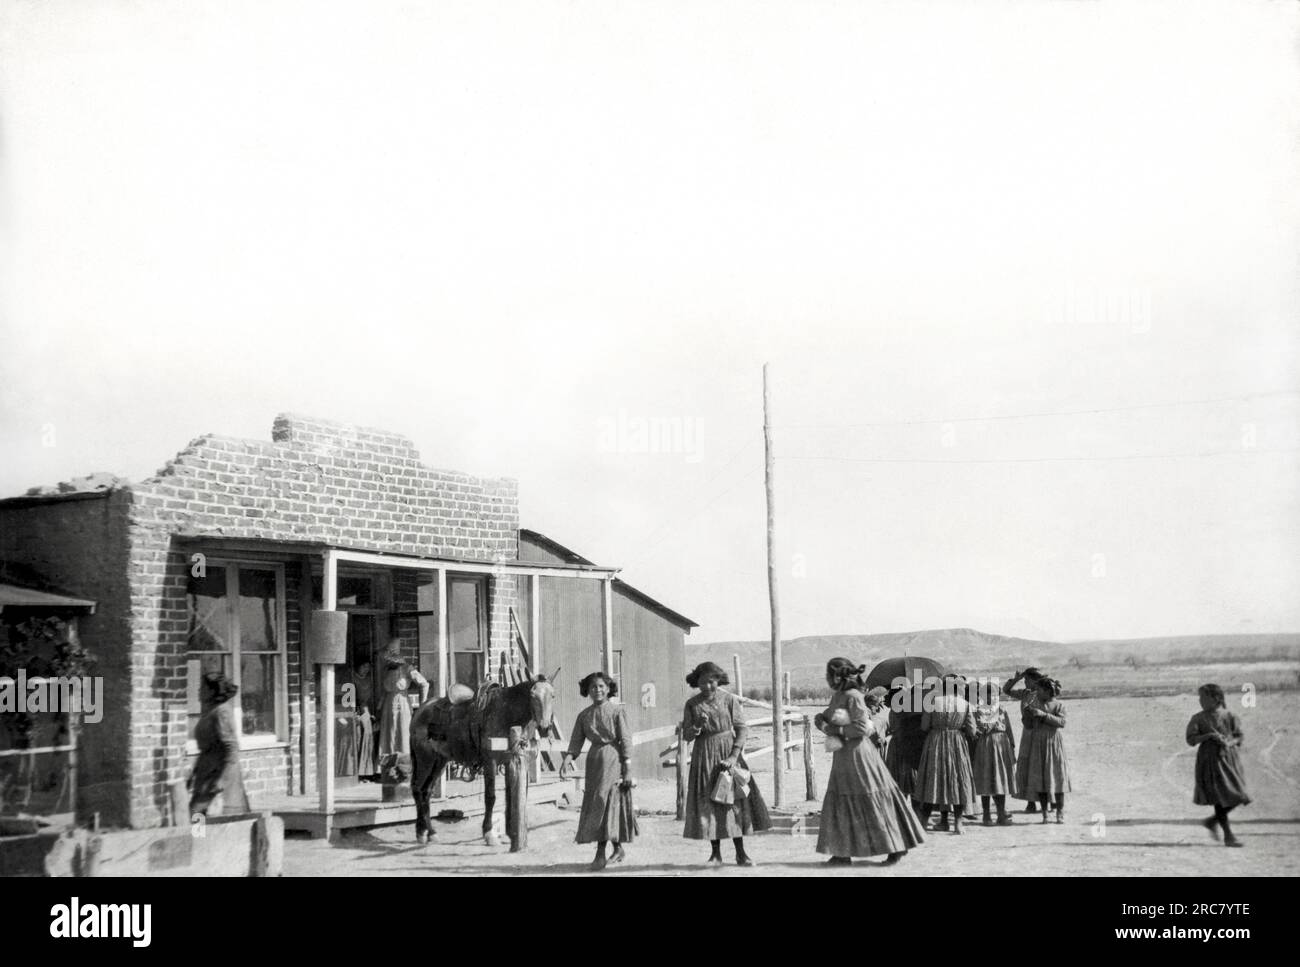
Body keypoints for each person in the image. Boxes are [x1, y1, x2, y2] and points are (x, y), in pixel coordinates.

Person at [814, 659, 925, 866]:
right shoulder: (839, 696)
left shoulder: (854, 697)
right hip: (843, 756)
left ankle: (896, 847)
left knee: (870, 799)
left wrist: (831, 729)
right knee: (842, 800)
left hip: (859, 756)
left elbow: (861, 728)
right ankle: (841, 853)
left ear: (841, 676)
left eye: (833, 675)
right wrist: (821, 719)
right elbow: (829, 717)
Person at [681, 661, 769, 866]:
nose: (708, 686)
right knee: (710, 803)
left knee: (734, 802)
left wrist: (733, 756)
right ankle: (715, 855)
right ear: (697, 682)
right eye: (703, 682)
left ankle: (741, 853)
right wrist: (697, 725)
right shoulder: (692, 704)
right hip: (704, 756)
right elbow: (686, 735)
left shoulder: (729, 700)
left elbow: (742, 728)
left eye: (711, 682)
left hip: (728, 754)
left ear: (718, 680)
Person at [559, 672, 637, 871]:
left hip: (613, 759)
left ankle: (600, 855)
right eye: (593, 687)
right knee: (599, 803)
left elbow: (626, 740)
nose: (598, 690)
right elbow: (576, 741)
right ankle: (618, 849)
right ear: (588, 691)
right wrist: (568, 759)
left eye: (601, 686)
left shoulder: (617, 712)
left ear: (609, 688)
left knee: (604, 802)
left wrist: (627, 768)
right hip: (594, 761)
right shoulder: (584, 715)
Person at [1186, 683, 1250, 847]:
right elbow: (1191, 740)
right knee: (1219, 798)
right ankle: (1229, 836)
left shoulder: (1229, 716)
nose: (1201, 701)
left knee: (1239, 795)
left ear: (1216, 699)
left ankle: (1212, 822)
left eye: (1204, 697)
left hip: (1229, 759)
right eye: (1200, 697)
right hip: (1209, 762)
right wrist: (1207, 736)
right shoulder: (1198, 718)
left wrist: (1230, 742)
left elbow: (1239, 736)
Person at [915, 674, 977, 833]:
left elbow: (923, 726)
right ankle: (958, 823)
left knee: (933, 780)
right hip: (956, 742)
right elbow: (972, 730)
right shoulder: (965, 704)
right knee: (957, 780)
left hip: (935, 742)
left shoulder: (932, 702)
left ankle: (924, 822)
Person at [189, 671, 249, 817]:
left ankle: (201, 837)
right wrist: (194, 772)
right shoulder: (210, 711)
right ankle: (199, 838)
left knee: (203, 812)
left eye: (202, 688)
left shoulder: (221, 712)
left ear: (212, 691)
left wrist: (222, 779)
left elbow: (232, 747)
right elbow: (207, 746)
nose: (199, 691)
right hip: (206, 771)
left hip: (218, 773)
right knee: (198, 812)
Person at [1024, 677, 1071, 823]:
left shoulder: (1058, 705)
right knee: (1040, 778)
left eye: (1038, 690)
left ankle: (1060, 812)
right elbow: (1028, 725)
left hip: (1053, 742)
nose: (1036, 692)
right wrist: (1027, 716)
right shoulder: (1035, 703)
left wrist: (1043, 715)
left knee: (1057, 778)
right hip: (1038, 743)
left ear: (1046, 691)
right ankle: (1044, 813)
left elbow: (1062, 723)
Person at [972, 684, 1017, 825]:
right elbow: (983, 728)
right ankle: (986, 815)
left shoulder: (1002, 709)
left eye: (995, 695)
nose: (992, 697)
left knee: (1000, 779)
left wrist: (1012, 748)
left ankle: (1001, 814)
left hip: (1002, 744)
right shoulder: (979, 710)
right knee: (986, 779)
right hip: (986, 744)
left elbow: (1008, 729)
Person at [1003, 667, 1044, 813]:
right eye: (1025, 680)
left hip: (1041, 733)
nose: (1025, 682)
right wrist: (1016, 679)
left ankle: (1048, 801)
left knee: (1040, 766)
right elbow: (1006, 690)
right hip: (1027, 734)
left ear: (1034, 680)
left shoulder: (1043, 694)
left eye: (1027, 680)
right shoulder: (1025, 693)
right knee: (1027, 765)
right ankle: (1031, 802)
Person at [377, 643, 430, 759]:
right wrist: (379, 708)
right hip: (388, 705)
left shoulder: (407, 668)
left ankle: (403, 763)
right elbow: (383, 691)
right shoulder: (386, 670)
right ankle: (388, 763)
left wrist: (423, 705)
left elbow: (424, 684)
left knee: (403, 732)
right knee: (389, 734)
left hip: (402, 703)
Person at [864, 686, 891, 757]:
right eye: (882, 697)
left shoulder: (885, 710)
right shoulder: (864, 712)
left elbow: (890, 726)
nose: (884, 699)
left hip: (882, 747)